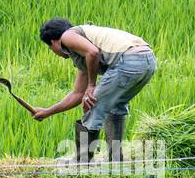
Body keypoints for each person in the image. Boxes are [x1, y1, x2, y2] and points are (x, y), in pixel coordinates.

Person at [34, 19, 157, 164]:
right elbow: (78, 94)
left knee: (92, 106)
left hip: (129, 59)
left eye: (50, 49)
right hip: (147, 61)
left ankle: (82, 162)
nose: (54, 53)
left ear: (54, 42)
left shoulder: (67, 36)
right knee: (115, 107)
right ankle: (116, 160)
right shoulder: (84, 53)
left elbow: (93, 52)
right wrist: (47, 112)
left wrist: (92, 85)